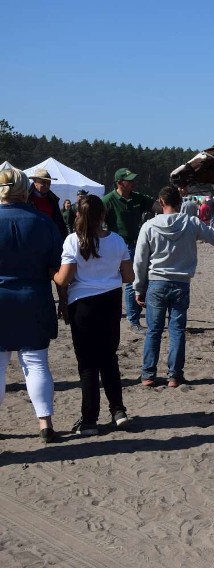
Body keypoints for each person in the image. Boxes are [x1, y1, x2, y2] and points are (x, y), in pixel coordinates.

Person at [133, 186, 214, 388]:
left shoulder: (149, 226)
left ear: (162, 202)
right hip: (181, 284)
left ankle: (148, 374)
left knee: (153, 331)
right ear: (180, 202)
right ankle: (174, 376)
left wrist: (138, 288)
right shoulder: (192, 223)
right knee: (177, 331)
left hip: (156, 284)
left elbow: (140, 261)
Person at [54, 195, 135, 435]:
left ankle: (89, 420)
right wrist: (107, 276)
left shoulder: (73, 241)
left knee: (87, 363)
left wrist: (52, 275)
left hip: (83, 304)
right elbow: (129, 277)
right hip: (110, 301)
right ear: (103, 215)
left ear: (79, 214)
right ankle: (118, 411)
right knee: (109, 358)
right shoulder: (117, 241)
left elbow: (64, 278)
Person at [0, 168, 62, 443]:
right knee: (36, 363)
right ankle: (45, 422)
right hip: (33, 297)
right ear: (26, 190)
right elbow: (56, 266)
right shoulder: (43, 221)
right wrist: (65, 300)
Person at [102, 167, 155, 334]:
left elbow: (159, 206)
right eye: (129, 180)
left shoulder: (137, 197)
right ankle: (133, 321)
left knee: (140, 281)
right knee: (133, 282)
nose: (133, 183)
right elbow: (94, 219)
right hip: (119, 246)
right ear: (119, 183)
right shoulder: (108, 200)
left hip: (139, 245)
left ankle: (135, 317)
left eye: (133, 180)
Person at [27, 168, 68, 239]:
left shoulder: (53, 199)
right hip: (31, 237)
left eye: (49, 183)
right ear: (34, 181)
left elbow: (59, 222)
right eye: (43, 182)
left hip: (49, 238)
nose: (46, 185)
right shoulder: (26, 198)